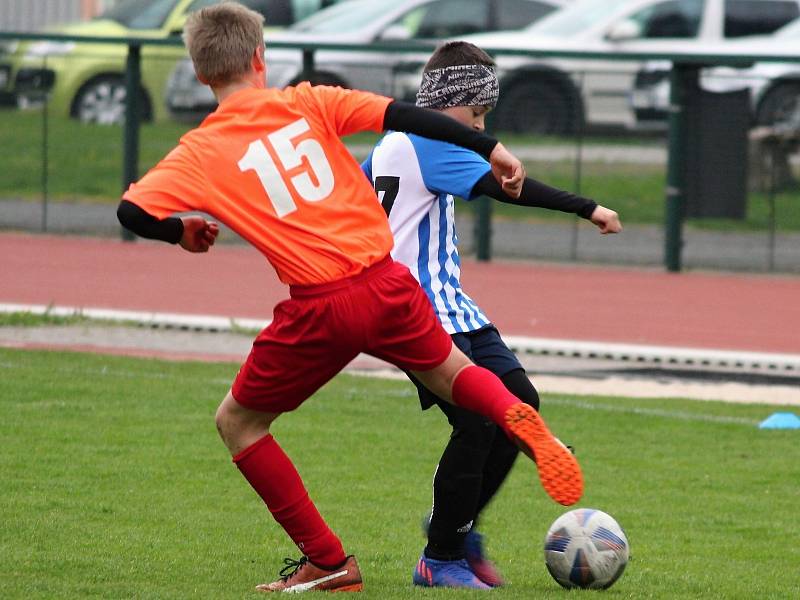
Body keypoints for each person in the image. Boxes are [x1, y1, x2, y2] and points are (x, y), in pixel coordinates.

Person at [115, 3, 583, 593]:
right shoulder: (307, 100)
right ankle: (514, 413)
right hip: (389, 283)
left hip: (321, 304)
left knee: (239, 423)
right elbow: (409, 115)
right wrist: (488, 146)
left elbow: (132, 210)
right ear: (261, 58)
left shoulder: (201, 150)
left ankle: (328, 559)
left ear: (201, 72)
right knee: (456, 375)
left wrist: (179, 231)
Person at [361, 41, 622, 590]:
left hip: (454, 307)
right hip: (417, 316)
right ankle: (442, 555)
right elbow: (512, 187)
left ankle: (456, 527)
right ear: (445, 104)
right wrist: (588, 207)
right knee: (480, 421)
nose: (480, 128)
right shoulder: (429, 140)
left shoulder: (391, 146)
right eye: (475, 115)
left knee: (520, 405)